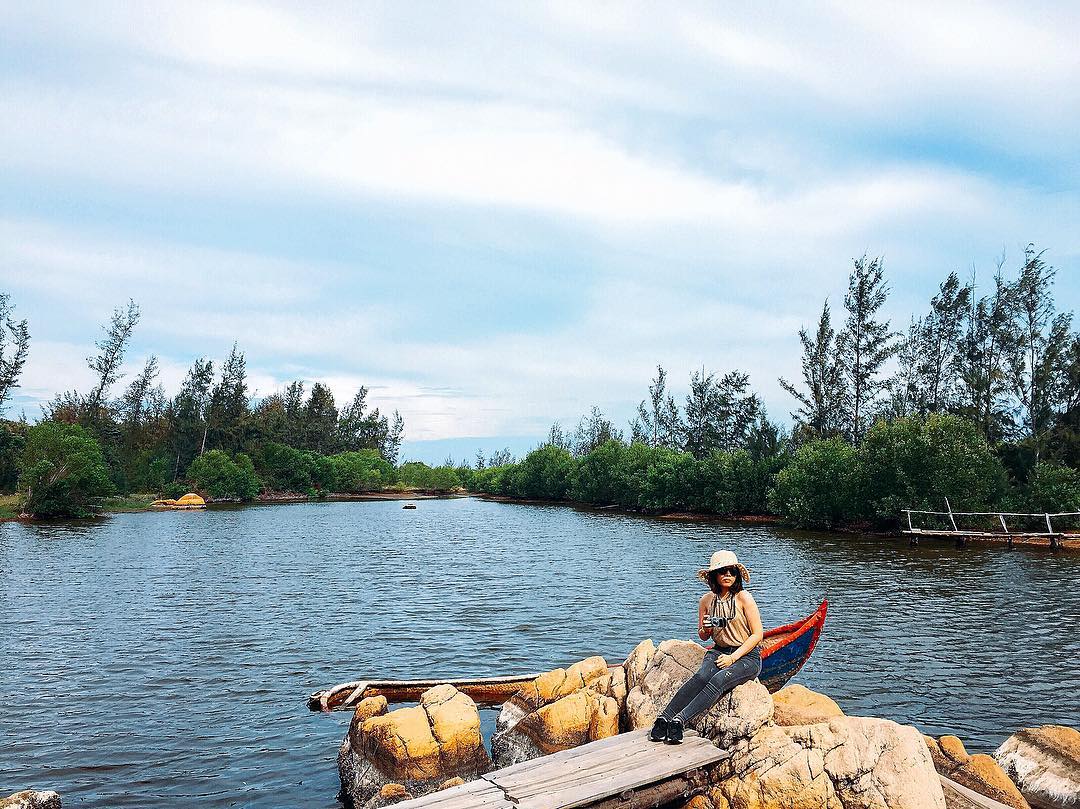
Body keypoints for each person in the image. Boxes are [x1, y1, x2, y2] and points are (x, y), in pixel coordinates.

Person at [650, 550, 764, 744]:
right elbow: (703, 636)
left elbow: (758, 635)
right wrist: (706, 627)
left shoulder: (744, 598)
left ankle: (679, 721)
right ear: (714, 576)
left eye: (732, 571)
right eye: (723, 571)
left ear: (736, 575)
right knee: (701, 676)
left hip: (746, 656)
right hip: (718, 650)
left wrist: (733, 658)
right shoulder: (706, 600)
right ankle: (664, 718)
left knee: (718, 680)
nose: (728, 575)